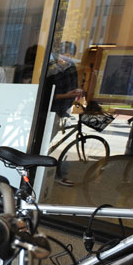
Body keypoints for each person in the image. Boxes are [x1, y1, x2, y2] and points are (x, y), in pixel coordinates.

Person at [48, 41, 82, 187]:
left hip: (63, 110)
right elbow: (48, 95)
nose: (67, 57)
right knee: (46, 145)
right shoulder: (52, 69)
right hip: (51, 111)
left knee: (51, 144)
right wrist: (67, 95)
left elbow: (72, 87)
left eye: (70, 54)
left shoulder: (71, 68)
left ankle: (54, 174)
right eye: (65, 53)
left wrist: (75, 94)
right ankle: (54, 175)